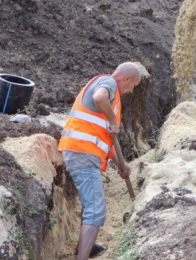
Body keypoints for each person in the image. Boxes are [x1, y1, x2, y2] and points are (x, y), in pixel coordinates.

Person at [58, 62, 142, 260]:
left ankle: (83, 246)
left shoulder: (112, 99)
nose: (131, 91)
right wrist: (113, 121)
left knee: (90, 205)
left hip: (82, 150)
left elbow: (103, 137)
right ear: (127, 78)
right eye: (133, 86)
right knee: (96, 211)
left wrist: (121, 164)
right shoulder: (109, 83)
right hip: (82, 152)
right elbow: (99, 97)